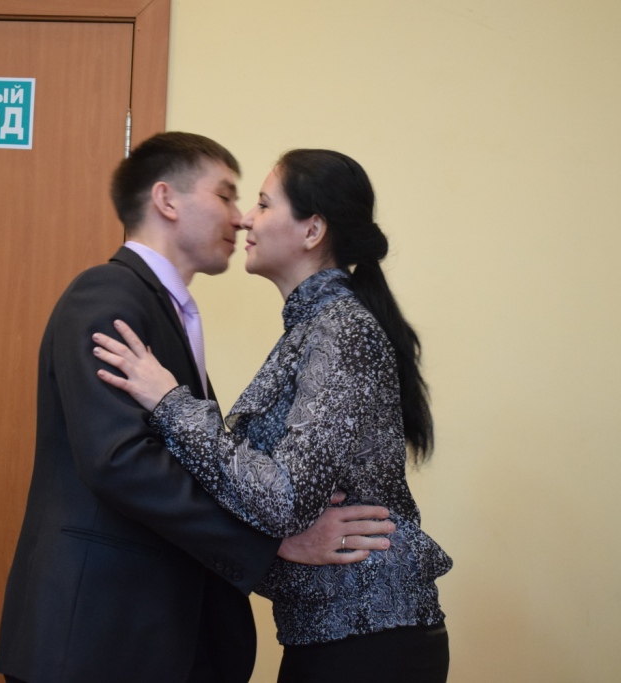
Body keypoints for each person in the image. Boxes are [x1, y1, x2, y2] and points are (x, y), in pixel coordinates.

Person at [0, 134, 398, 683]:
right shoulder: (108, 295)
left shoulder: (188, 312)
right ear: (167, 200)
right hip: (99, 637)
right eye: (227, 196)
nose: (240, 217)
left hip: (157, 637)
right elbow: (120, 461)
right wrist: (272, 543)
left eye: (256, 203)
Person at [93, 148, 454, 682]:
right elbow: (278, 503)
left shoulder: (340, 328)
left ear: (312, 231)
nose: (245, 219)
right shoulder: (314, 328)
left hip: (368, 637)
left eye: (262, 204)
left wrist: (171, 403)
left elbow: (285, 499)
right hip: (335, 636)